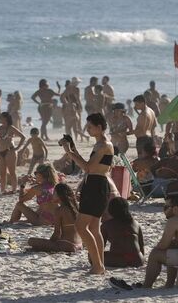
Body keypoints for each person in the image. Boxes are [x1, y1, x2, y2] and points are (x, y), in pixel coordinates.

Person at [117, 193, 178, 289]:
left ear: (175, 209)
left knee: (155, 255)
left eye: (166, 207)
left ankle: (146, 286)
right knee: (171, 248)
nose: (163, 209)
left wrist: (155, 251)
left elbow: (163, 245)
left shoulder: (174, 221)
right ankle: (169, 284)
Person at [60, 113, 114, 274]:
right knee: (94, 227)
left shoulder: (104, 145)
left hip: (97, 186)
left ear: (99, 127)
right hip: (95, 184)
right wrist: (73, 149)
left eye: (90, 126)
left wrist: (69, 152)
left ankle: (98, 266)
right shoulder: (100, 145)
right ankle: (99, 265)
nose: (88, 129)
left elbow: (88, 167)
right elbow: (90, 166)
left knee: (81, 226)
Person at [27, 183, 82, 252]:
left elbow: (57, 233)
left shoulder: (59, 210)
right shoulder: (76, 208)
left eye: (54, 193)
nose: (52, 195)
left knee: (31, 241)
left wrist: (49, 244)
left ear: (59, 195)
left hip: (67, 245)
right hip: (79, 244)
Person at [101, 197, 145, 267]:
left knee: (92, 256)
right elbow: (141, 246)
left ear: (111, 210)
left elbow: (100, 246)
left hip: (119, 259)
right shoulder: (136, 223)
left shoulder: (107, 225)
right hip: (137, 259)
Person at [0, 112, 26, 193]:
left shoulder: (11, 128)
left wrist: (17, 148)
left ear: (6, 118)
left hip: (10, 151)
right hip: (0, 152)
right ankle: (3, 190)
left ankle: (14, 189)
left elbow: (23, 137)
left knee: (12, 172)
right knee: (2, 172)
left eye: (1, 117)